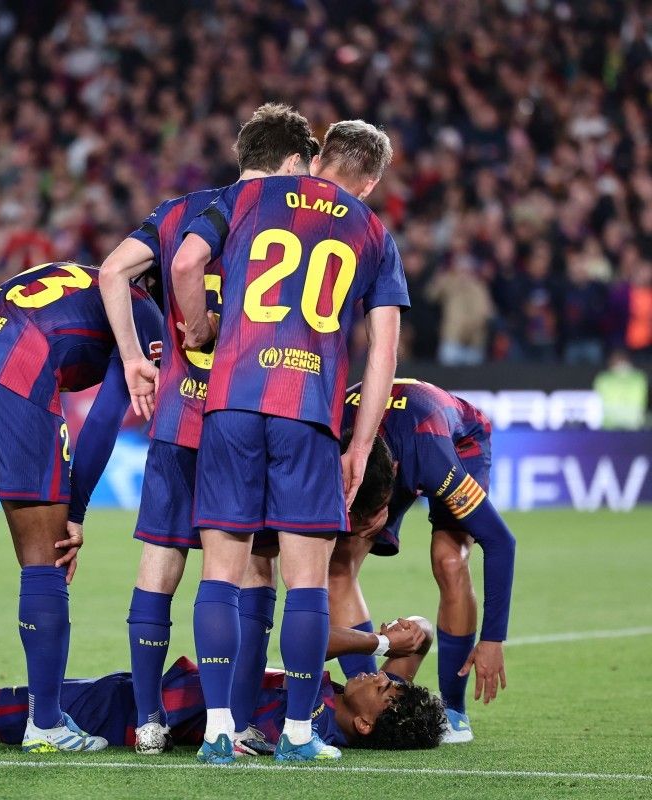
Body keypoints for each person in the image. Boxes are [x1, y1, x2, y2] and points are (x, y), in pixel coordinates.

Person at [172, 113, 409, 763]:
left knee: (222, 573)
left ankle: (219, 730)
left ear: (317, 155)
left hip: (233, 401)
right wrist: (360, 446)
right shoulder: (371, 229)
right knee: (306, 581)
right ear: (370, 181)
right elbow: (383, 351)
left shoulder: (249, 194)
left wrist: (199, 328)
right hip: (308, 411)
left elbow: (187, 260)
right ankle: (299, 734)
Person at [98, 110, 321, 755]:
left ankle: (148, 721)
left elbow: (111, 272)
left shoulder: (180, 211)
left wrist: (134, 357)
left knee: (161, 560)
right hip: (250, 414)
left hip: (178, 415)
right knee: (252, 569)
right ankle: (239, 721)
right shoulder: (289, 222)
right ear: (290, 163)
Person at [0, 262, 162, 754]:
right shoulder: (144, 308)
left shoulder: (82, 273)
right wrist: (76, 511)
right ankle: (46, 723)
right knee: (45, 559)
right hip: (16, 362)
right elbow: (106, 416)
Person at [0, 617, 443, 752]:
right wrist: (409, 649)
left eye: (383, 690)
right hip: (132, 700)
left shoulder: (311, 716)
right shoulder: (327, 711)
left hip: (118, 712)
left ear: (366, 723)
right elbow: (395, 682)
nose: (379, 679)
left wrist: (380, 642)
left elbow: (304, 635)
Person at [333, 379, 516, 743]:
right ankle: (371, 704)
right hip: (370, 446)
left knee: (449, 560)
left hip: (454, 441)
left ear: (396, 475)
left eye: (380, 506)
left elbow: (500, 542)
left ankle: (454, 711)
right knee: (338, 565)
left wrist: (493, 639)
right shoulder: (330, 439)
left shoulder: (432, 460)